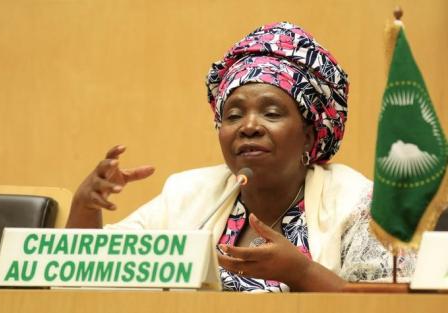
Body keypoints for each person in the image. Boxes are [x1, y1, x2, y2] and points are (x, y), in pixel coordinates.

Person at [67, 22, 415, 292]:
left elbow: (387, 303)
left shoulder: (357, 202)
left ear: (310, 133)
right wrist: (85, 207)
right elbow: (90, 277)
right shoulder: (187, 195)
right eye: (233, 115)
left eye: (272, 113)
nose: (248, 126)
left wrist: (302, 273)